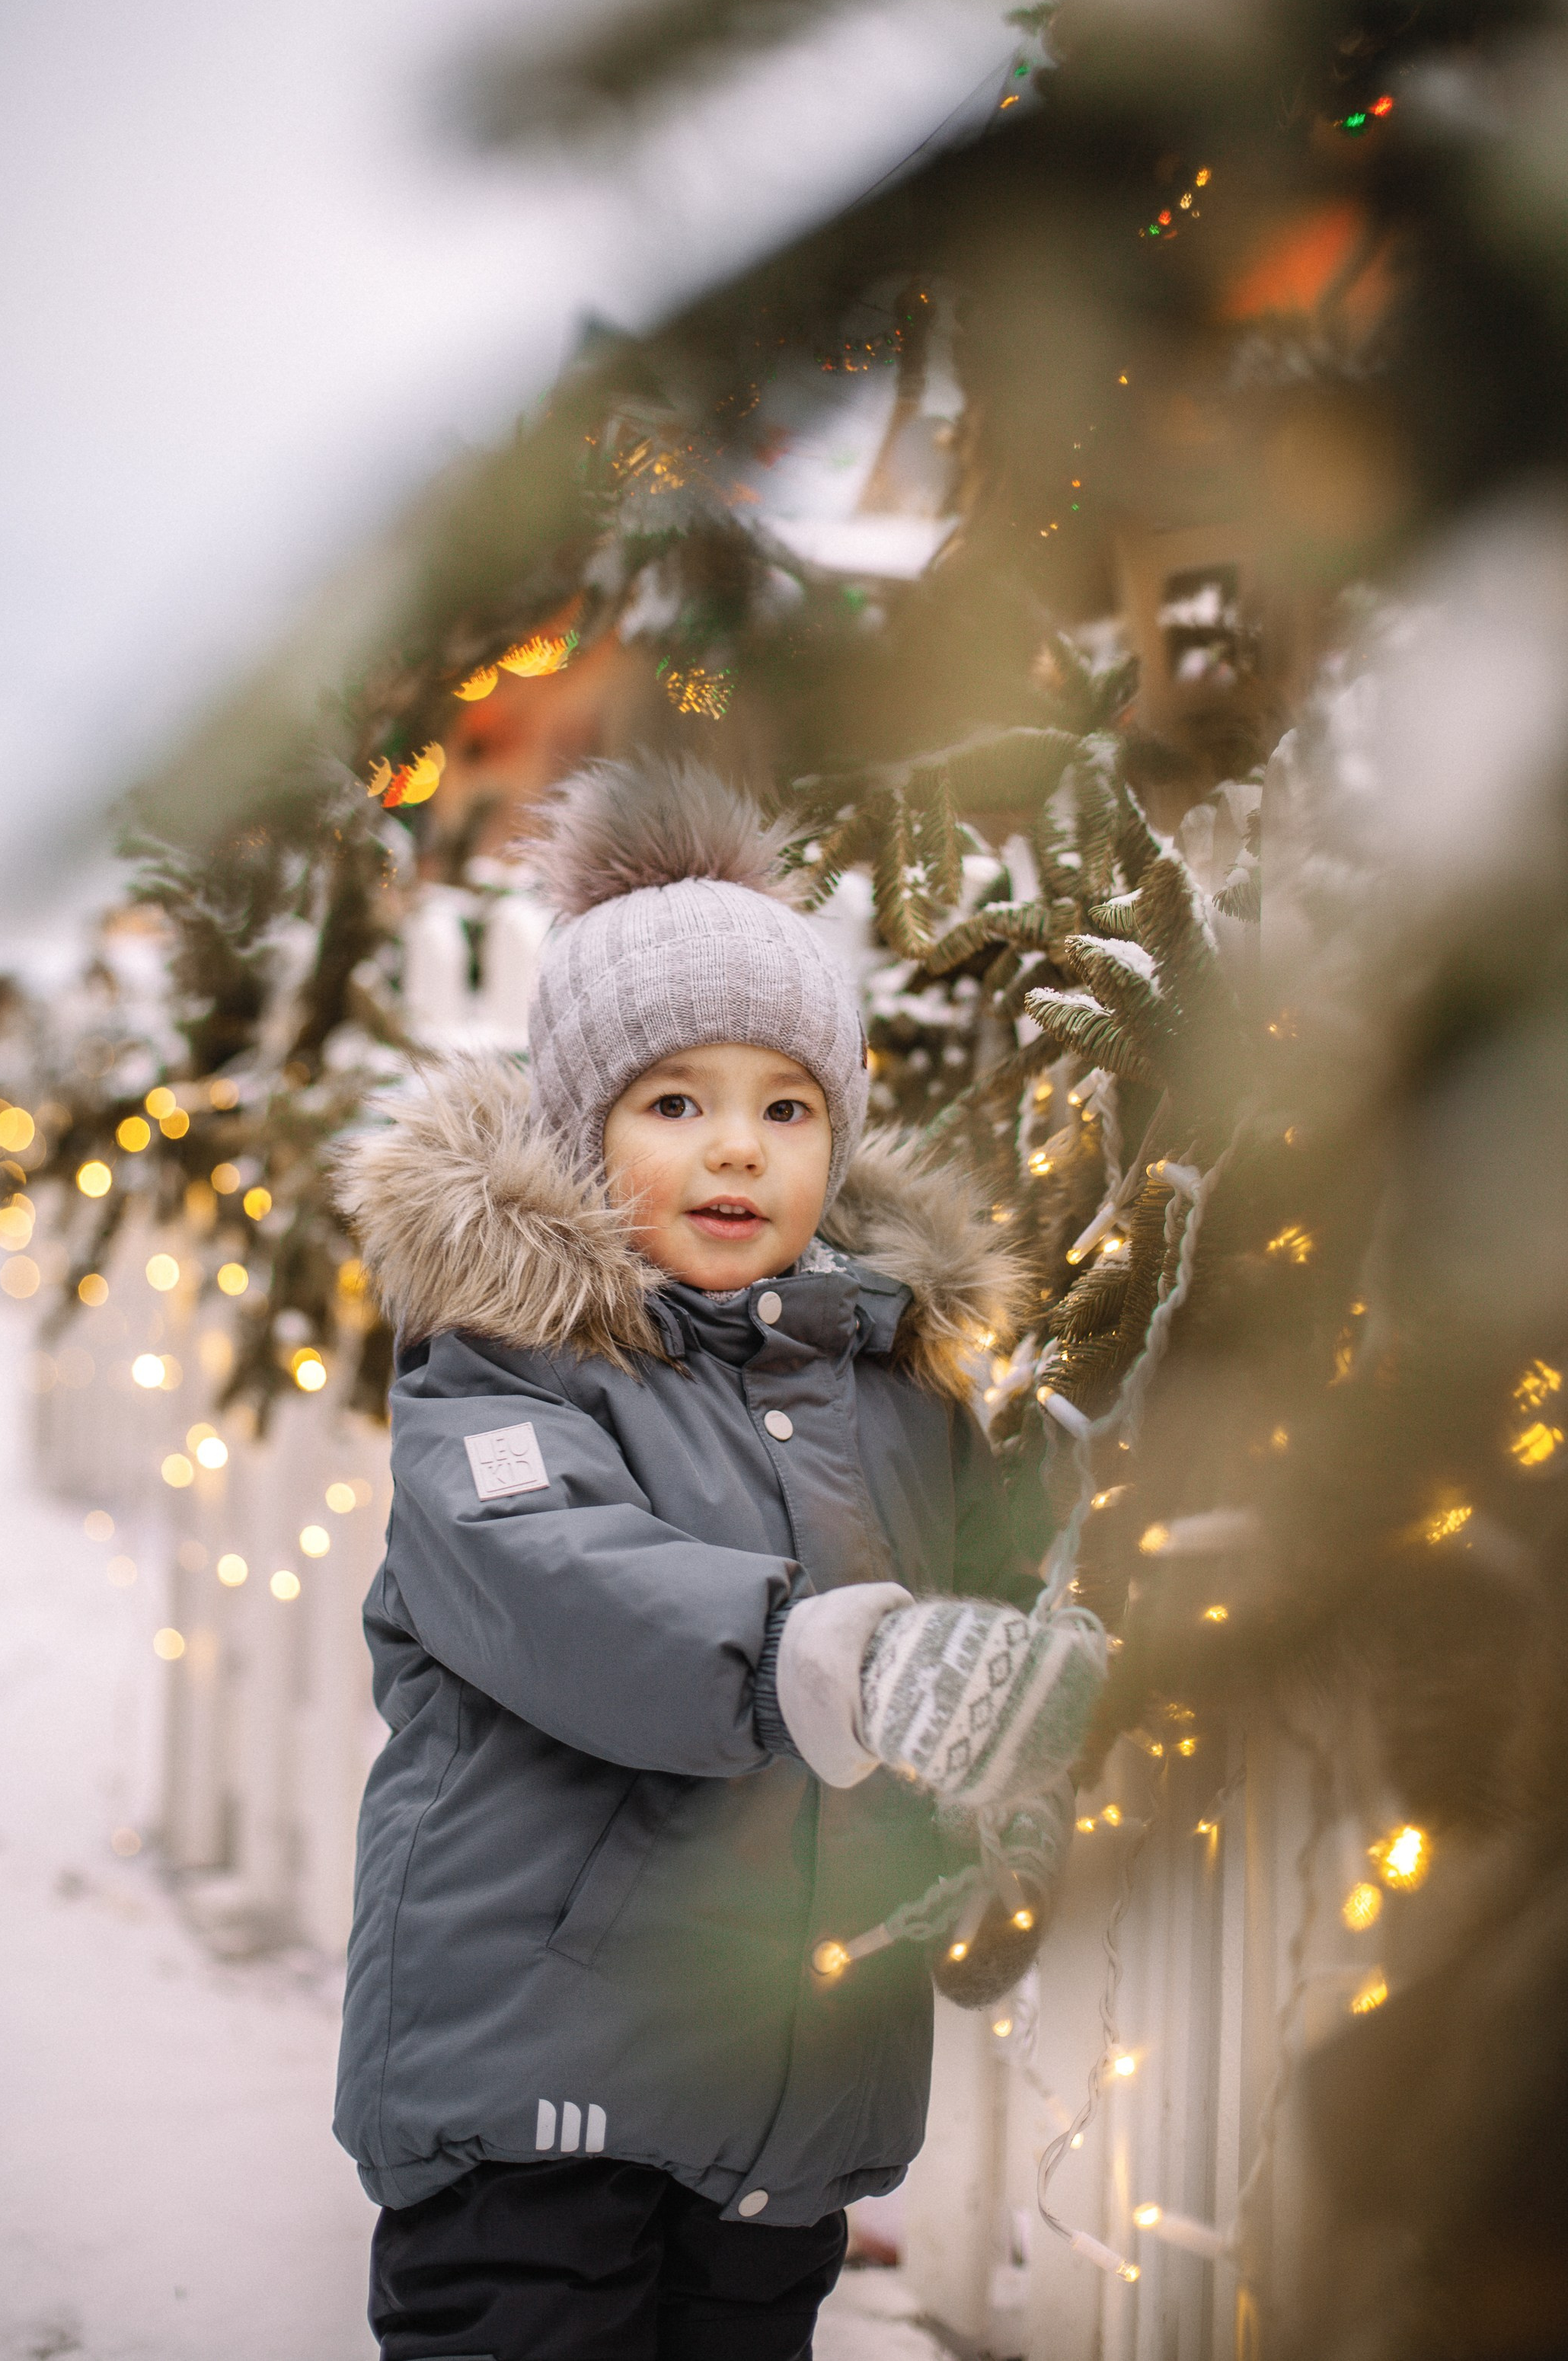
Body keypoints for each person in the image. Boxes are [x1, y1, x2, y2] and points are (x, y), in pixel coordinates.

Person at [333, 759, 1105, 2361]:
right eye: (674, 1101)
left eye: (786, 1104)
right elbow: (551, 1576)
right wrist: (832, 1655)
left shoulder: (893, 1384)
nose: (735, 1149)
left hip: (787, 2099)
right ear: (578, 1121)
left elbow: (992, 1580)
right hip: (534, 2101)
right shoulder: (502, 1369)